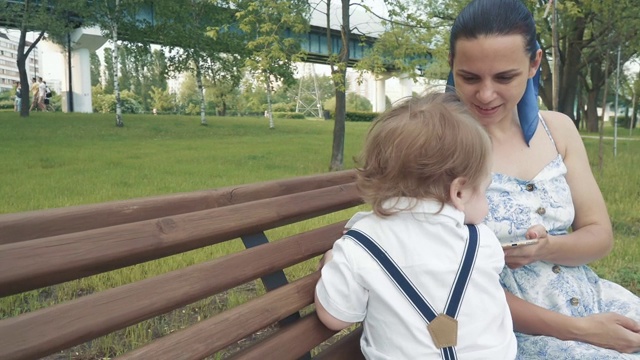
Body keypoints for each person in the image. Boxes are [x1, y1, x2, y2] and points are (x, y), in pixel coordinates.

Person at [447, 0, 640, 358]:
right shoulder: (439, 145)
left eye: (505, 77)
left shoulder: (558, 129)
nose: (485, 94)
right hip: (509, 329)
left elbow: (600, 236)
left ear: (534, 63)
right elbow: (447, 280)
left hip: (591, 299)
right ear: (451, 66)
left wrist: (548, 247)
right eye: (469, 77)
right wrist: (584, 332)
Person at [315, 92, 517, 359]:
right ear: (460, 192)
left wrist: (331, 260)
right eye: (484, 190)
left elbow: (335, 316)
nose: (486, 202)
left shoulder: (360, 244)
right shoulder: (482, 240)